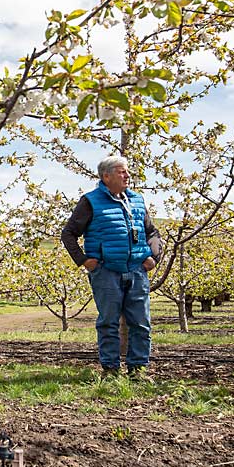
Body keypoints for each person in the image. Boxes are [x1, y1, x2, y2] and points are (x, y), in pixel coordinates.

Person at [60, 156, 163, 379]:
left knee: (141, 323)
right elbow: (68, 234)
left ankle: (138, 370)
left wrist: (154, 256)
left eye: (127, 172)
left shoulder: (136, 200)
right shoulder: (90, 201)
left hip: (136, 270)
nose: (127, 176)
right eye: (121, 172)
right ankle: (111, 369)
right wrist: (84, 260)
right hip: (106, 271)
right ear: (106, 176)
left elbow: (152, 232)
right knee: (108, 322)